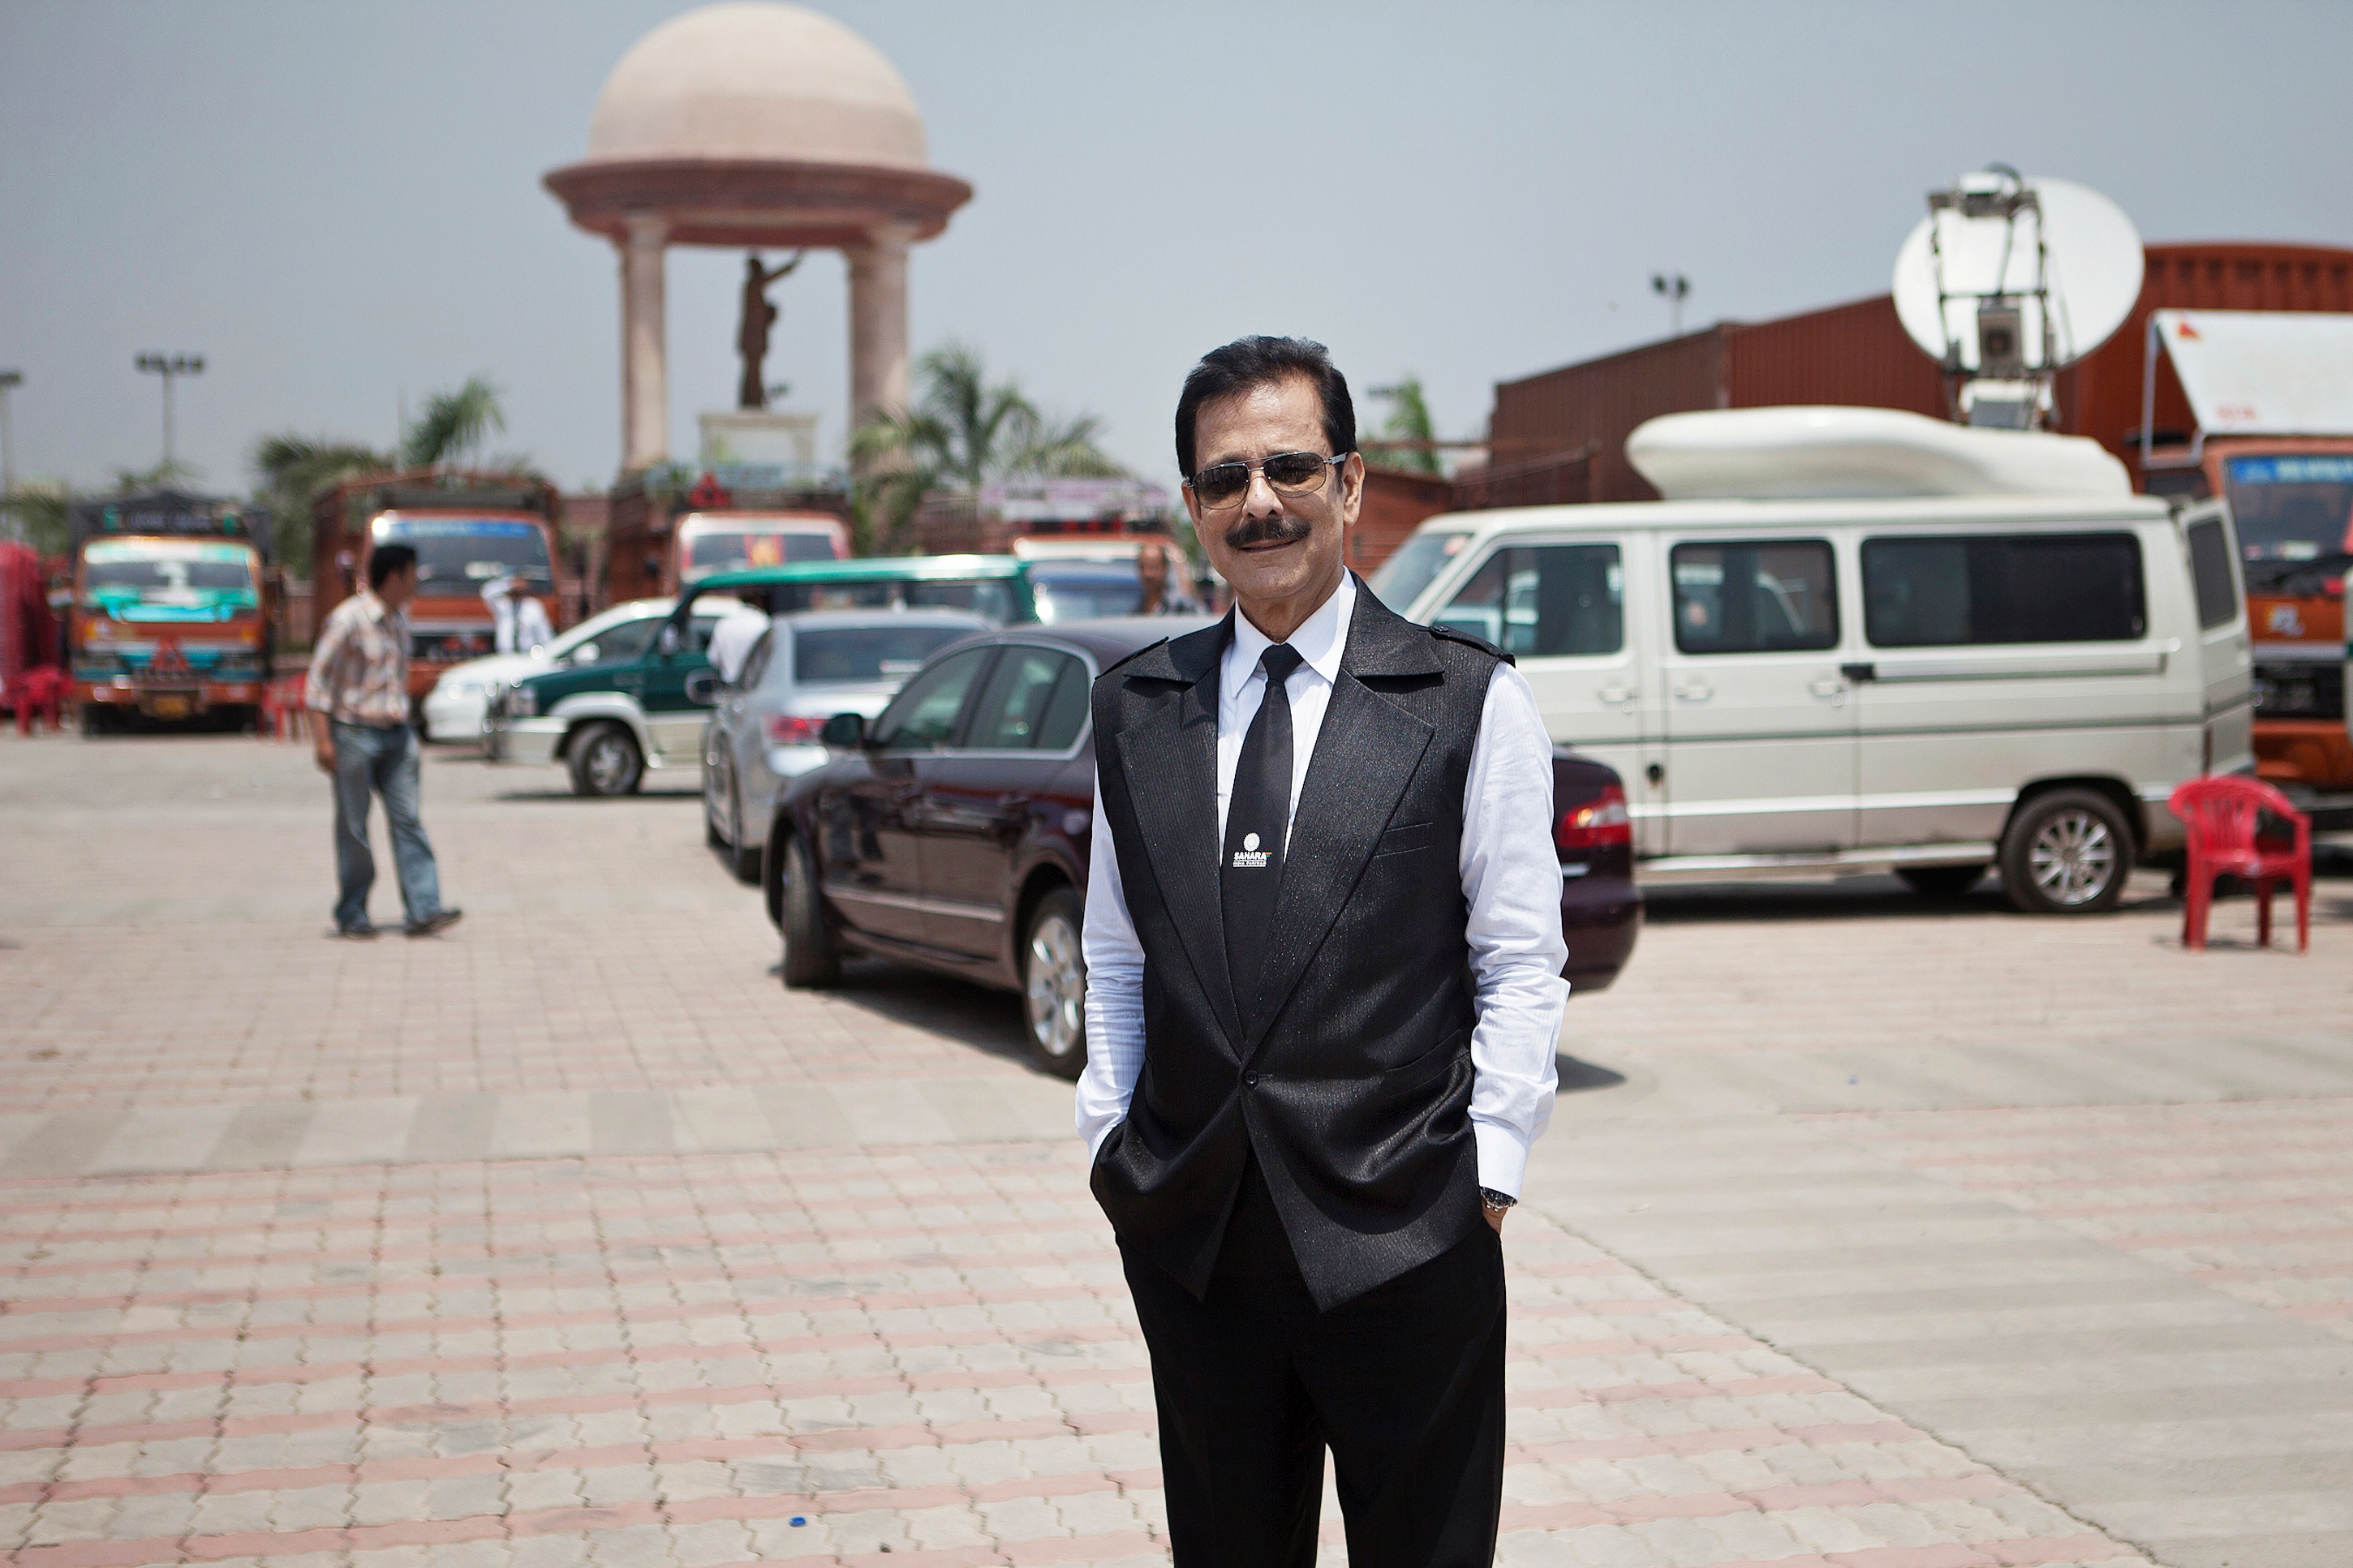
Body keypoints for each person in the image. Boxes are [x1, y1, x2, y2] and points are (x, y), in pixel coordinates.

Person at [1078, 336, 1567, 1567]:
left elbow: (1519, 959)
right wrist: (1109, 1146)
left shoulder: (1464, 701)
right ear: (1192, 504)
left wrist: (1489, 1170)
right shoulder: (1136, 710)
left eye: (1289, 467)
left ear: (1348, 484)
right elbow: (1117, 957)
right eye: (1224, 477)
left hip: (1411, 1235)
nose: (1259, 502)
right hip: (1195, 1246)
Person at [306, 543, 462, 940]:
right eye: (412, 575)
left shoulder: (399, 620)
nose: (416, 584)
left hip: (397, 736)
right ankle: (353, 912)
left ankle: (424, 908)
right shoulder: (348, 620)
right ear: (395, 576)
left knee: (408, 820)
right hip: (354, 734)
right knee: (354, 827)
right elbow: (317, 685)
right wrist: (323, 742)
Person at [484, 575, 553, 655]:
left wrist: (547, 652)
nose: (514, 595)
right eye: (512, 592)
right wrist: (509, 585)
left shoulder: (533, 606)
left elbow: (544, 633)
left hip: (527, 653)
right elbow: (486, 592)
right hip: (506, 653)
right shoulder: (502, 606)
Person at [1134, 537, 1202, 616]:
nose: (1148, 574)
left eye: (1153, 567)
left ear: (1165, 568)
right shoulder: (1136, 608)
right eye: (1143, 567)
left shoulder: (1180, 605)